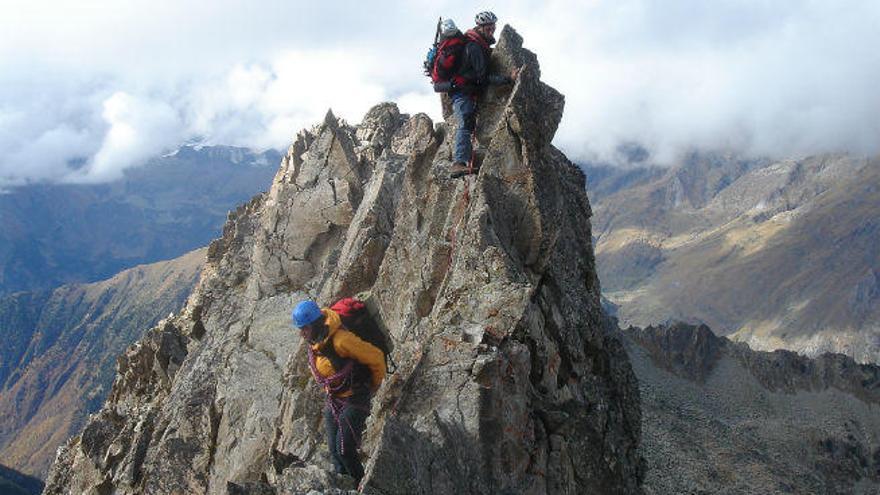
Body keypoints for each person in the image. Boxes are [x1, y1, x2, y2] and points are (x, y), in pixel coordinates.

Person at [292, 300, 386, 484]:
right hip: (336, 398)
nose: (301, 333)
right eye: (300, 329)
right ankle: (343, 486)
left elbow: (375, 356)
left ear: (315, 324)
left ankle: (362, 486)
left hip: (356, 397)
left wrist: (375, 386)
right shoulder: (316, 342)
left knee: (345, 449)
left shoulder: (341, 340)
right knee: (334, 452)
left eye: (304, 328)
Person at [448, 11, 521, 179]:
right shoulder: (474, 47)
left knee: (468, 124)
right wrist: (507, 79)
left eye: (493, 27)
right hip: (463, 92)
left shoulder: (476, 44)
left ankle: (461, 162)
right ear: (480, 27)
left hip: (463, 92)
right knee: (465, 125)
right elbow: (483, 78)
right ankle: (458, 163)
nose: (492, 30)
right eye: (488, 27)